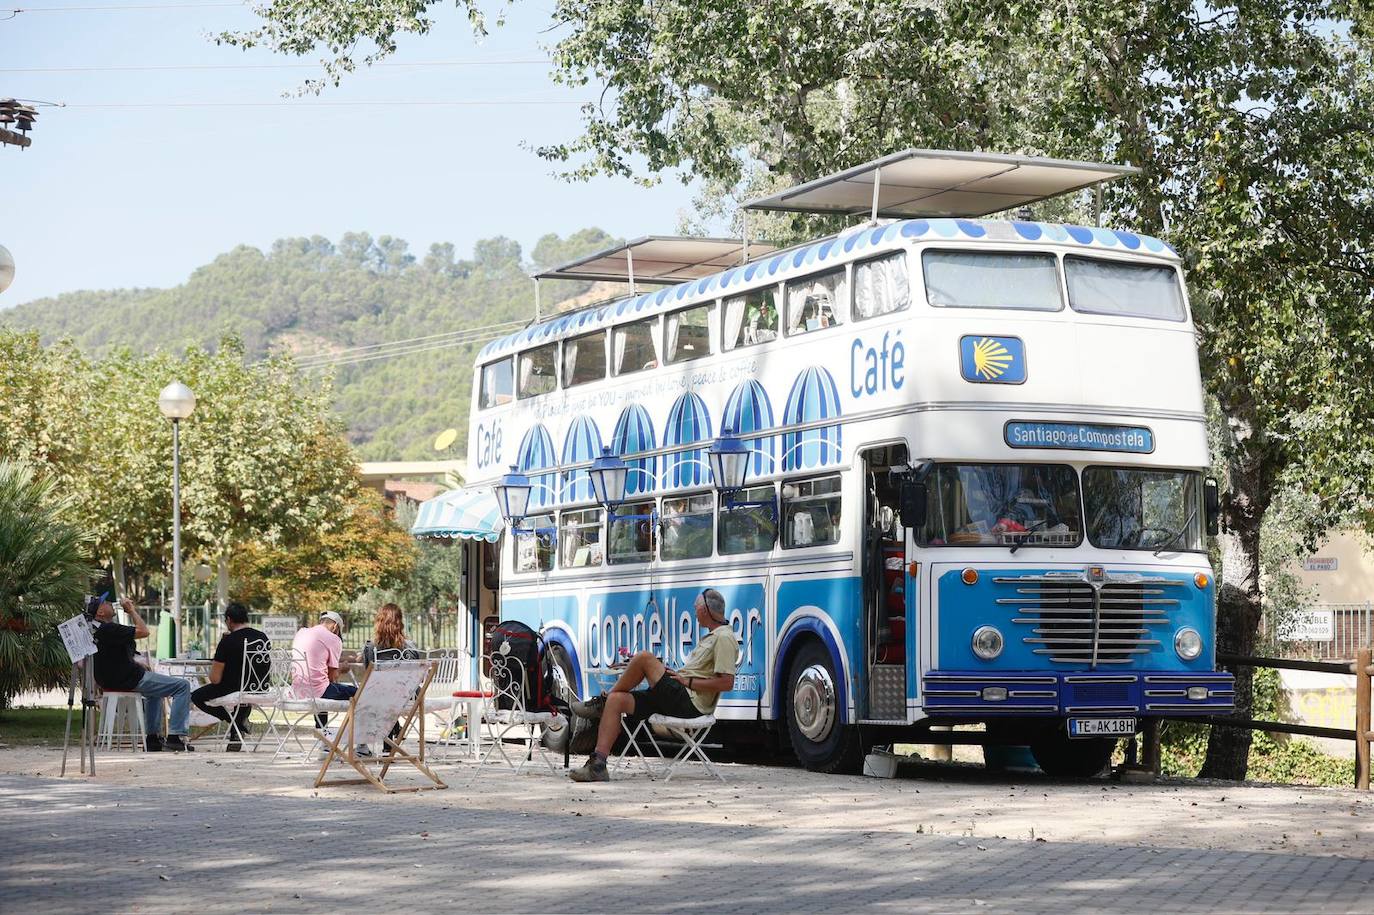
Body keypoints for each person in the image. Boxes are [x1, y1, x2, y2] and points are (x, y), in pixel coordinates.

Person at [567, 588, 737, 783]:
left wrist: (687, 681)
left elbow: (727, 683)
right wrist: (677, 674)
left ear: (705, 610)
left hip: (690, 704)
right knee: (617, 700)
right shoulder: (713, 635)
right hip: (679, 695)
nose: (694, 611)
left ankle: (601, 702)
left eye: (696, 608)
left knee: (644, 658)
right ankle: (597, 765)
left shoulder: (724, 638)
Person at [87, 594, 194, 752]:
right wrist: (131, 611)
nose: (110, 603)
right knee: (182, 686)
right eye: (105, 602)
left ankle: (152, 739)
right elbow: (144, 631)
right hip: (129, 679)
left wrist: (136, 663)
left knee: (154, 693)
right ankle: (175, 736)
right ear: (100, 612)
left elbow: (111, 658)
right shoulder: (109, 628)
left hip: (114, 679)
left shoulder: (97, 630)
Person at [191, 602, 269, 751]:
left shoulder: (228, 641)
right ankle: (237, 730)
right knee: (242, 698)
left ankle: (235, 724)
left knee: (196, 696)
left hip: (233, 687)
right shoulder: (262, 637)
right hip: (259, 687)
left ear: (228, 619)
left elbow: (215, 679)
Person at [291, 610, 356, 731]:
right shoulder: (334, 639)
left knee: (320, 684)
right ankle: (361, 741)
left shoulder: (301, 633)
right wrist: (342, 669)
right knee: (360, 694)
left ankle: (322, 732)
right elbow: (332, 677)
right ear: (336, 626)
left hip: (297, 690)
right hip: (317, 692)